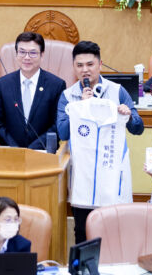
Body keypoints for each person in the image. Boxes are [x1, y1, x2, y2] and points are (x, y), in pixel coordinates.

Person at [57, 41, 144, 243]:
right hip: (83, 176)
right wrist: (80, 108)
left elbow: (137, 128)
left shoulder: (118, 91)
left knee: (113, 232)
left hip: (111, 174)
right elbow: (62, 132)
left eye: (90, 64)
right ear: (73, 67)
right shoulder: (68, 96)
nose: (85, 70)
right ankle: (81, 273)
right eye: (79, 65)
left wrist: (129, 115)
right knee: (82, 231)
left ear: (100, 64)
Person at [0, 32, 66, 150]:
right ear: (16, 54)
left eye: (32, 53)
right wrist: (15, 148)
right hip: (11, 153)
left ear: (42, 55)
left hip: (43, 152)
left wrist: (32, 149)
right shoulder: (3, 84)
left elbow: (57, 124)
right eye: (22, 52)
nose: (26, 57)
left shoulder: (56, 85)